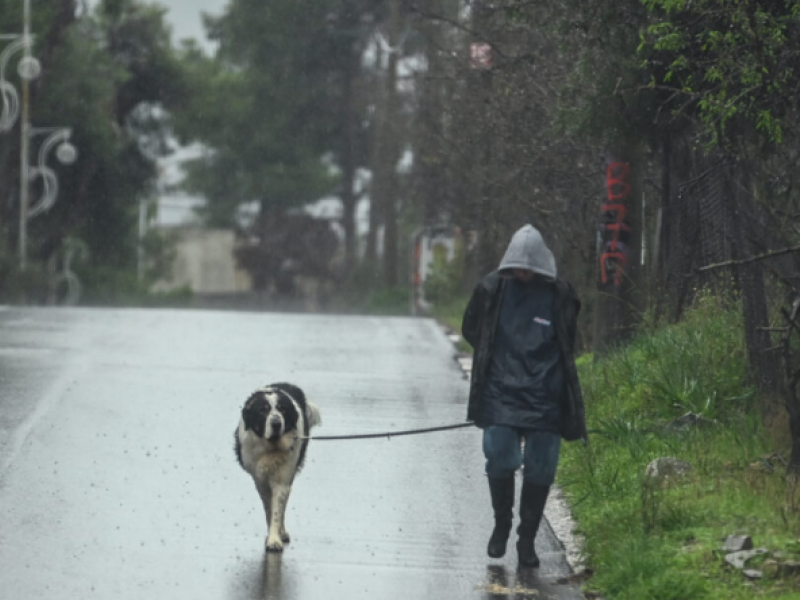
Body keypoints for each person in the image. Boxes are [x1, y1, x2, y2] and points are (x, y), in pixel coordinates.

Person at [461, 224, 587, 567]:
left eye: (527, 268)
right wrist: (499, 359)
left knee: (541, 467)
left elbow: (567, 335)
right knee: (499, 455)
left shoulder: (561, 294)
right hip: (501, 390)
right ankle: (501, 525)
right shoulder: (490, 289)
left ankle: (527, 540)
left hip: (546, 393)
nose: (521, 273)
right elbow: (472, 328)